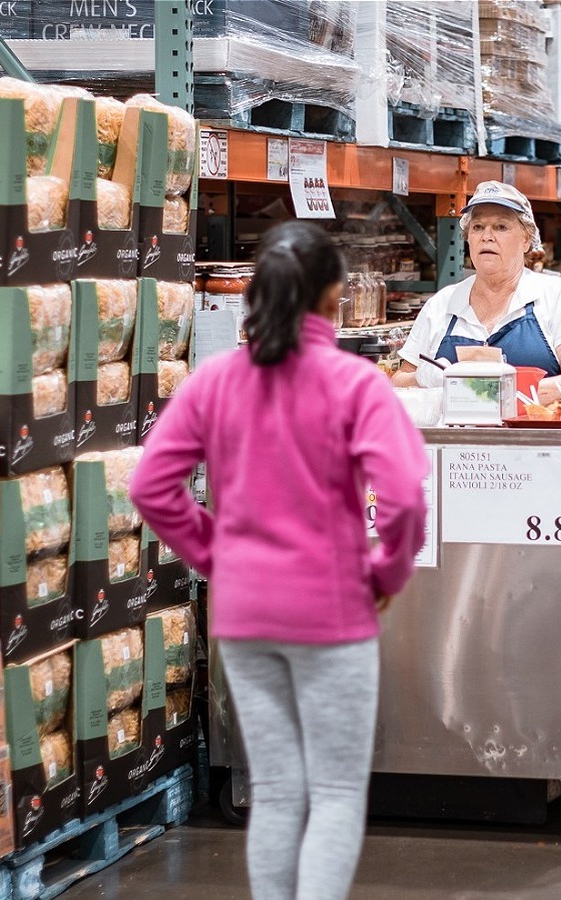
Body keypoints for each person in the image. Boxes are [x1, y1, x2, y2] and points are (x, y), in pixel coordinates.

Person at [131, 222, 429, 900]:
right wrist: (384, 574)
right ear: (333, 297)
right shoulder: (357, 385)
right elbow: (408, 496)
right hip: (333, 610)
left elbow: (151, 486)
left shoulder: (214, 383)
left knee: (276, 791)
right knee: (332, 789)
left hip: (243, 612)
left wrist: (217, 553)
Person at [392, 181, 561, 403]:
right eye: (478, 227)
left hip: (536, 438)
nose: (487, 236)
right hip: (458, 438)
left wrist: (490, 394)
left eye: (501, 227)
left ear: (526, 239)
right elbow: (399, 383)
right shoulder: (443, 304)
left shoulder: (557, 296)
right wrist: (425, 378)